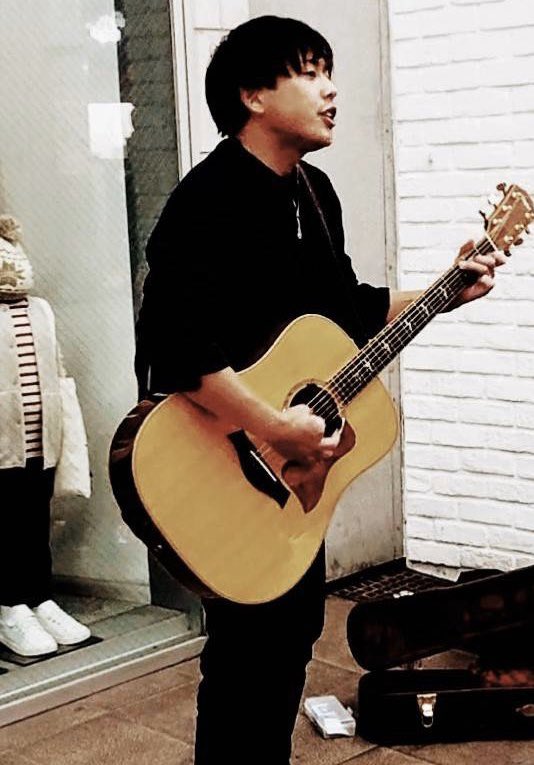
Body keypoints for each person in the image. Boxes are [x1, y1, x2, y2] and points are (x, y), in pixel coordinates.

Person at [134, 16, 504, 764]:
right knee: (246, 658)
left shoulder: (315, 192)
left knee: (286, 638)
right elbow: (173, 346)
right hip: (223, 465)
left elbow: (343, 313)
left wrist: (444, 291)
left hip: (289, 475)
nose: (331, 89)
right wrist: (274, 423)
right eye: (308, 71)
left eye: (329, 70)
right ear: (252, 95)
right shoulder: (207, 200)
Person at [0, 215, 91, 657]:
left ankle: (39, 596)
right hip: (2, 444)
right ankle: (9, 605)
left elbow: (57, 372)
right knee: (5, 522)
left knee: (35, 520)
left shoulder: (41, 310)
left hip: (40, 440)